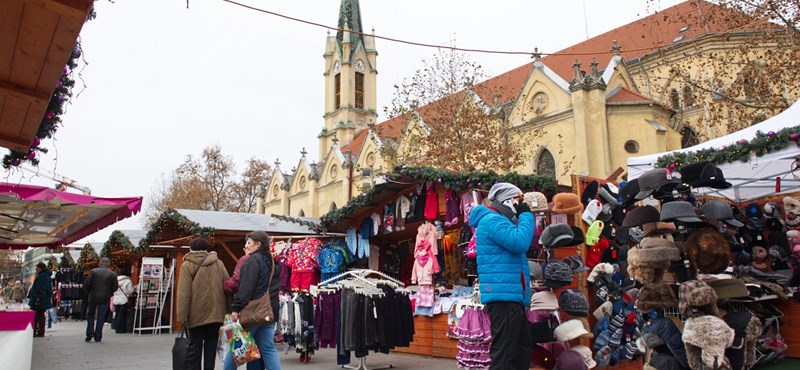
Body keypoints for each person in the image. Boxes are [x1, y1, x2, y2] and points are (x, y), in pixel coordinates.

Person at [469, 183, 535, 370]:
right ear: (507, 200)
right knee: (505, 353)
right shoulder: (492, 220)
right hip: (503, 295)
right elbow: (519, 242)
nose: (520, 204)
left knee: (520, 349)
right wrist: (526, 215)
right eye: (518, 200)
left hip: (509, 294)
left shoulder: (500, 220)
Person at [225, 230, 282, 370]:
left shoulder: (253, 261)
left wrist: (236, 308)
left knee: (237, 347)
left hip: (253, 312)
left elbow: (246, 287)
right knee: (268, 349)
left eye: (249, 243)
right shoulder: (272, 261)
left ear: (258, 244)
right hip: (269, 311)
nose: (246, 246)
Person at [178, 237, 230, 370]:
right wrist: (229, 310)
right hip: (216, 315)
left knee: (195, 350)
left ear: (191, 249)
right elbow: (228, 287)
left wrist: (182, 316)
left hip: (196, 315)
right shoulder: (218, 263)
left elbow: (184, 293)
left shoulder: (187, 265)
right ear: (207, 248)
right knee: (211, 348)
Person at [83, 257, 118, 342]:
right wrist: (109, 293)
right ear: (108, 264)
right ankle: (98, 335)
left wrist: (89, 292)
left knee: (90, 314)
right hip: (105, 297)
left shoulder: (94, 271)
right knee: (101, 317)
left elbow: (87, 284)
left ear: (100, 263)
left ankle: (90, 332)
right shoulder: (112, 274)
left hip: (93, 296)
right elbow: (115, 287)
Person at [29, 262, 53, 337]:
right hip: (43, 299)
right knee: (40, 315)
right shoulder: (45, 276)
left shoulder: (42, 276)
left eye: (37, 268)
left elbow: (41, 288)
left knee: (37, 315)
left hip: (40, 299)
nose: (36, 269)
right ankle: (40, 331)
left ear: (40, 268)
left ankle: (38, 331)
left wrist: (37, 298)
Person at [112, 267, 135, 334]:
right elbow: (131, 290)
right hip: (123, 299)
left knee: (117, 314)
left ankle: (116, 327)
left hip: (116, 299)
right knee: (121, 315)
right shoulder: (128, 281)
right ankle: (120, 329)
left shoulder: (116, 280)